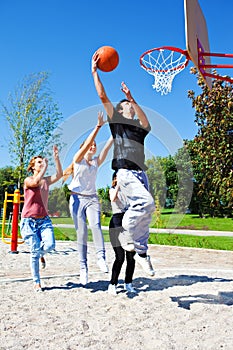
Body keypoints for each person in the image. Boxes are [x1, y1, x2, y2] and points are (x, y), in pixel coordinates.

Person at [92, 54, 155, 276]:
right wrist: (94, 72)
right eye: (127, 104)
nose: (129, 106)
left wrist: (132, 98)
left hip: (140, 175)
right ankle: (126, 233)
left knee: (147, 212)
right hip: (125, 172)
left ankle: (142, 253)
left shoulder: (139, 128)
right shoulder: (117, 124)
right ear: (120, 111)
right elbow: (102, 95)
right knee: (145, 202)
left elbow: (146, 121)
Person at [63, 111, 113, 286]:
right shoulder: (78, 160)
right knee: (82, 233)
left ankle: (101, 257)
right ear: (84, 148)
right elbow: (86, 145)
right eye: (89, 145)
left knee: (96, 226)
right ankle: (83, 268)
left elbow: (107, 147)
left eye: (94, 145)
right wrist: (98, 126)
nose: (93, 146)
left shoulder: (96, 162)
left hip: (92, 199)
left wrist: (115, 132)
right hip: (77, 199)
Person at [20, 145, 63, 292]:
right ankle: (36, 282)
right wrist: (44, 168)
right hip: (28, 221)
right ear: (32, 167)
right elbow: (35, 182)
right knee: (34, 251)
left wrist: (56, 158)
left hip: (44, 220)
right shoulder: (28, 180)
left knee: (50, 245)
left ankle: (41, 255)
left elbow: (60, 174)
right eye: (38, 162)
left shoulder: (46, 180)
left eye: (42, 162)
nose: (41, 164)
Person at [108, 172, 136, 295]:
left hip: (128, 223)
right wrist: (118, 185)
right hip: (116, 224)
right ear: (114, 179)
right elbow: (113, 198)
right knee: (120, 257)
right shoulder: (112, 190)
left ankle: (128, 283)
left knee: (131, 256)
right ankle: (112, 284)